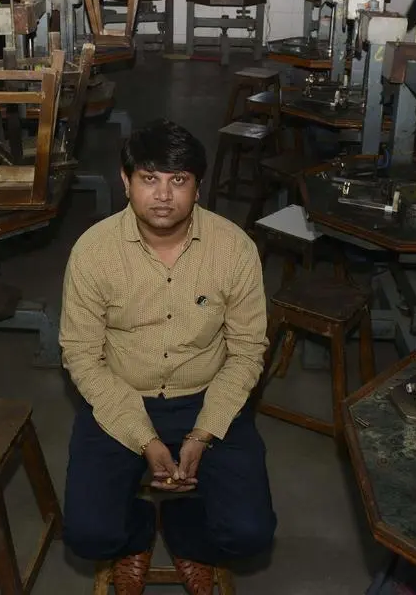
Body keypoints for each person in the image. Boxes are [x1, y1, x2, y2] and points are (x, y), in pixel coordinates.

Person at [60, 119, 276, 595]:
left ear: (198, 187)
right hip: (120, 396)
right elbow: (80, 354)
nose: (163, 195)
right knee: (87, 533)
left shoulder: (234, 250)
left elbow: (246, 351)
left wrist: (203, 431)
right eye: (149, 179)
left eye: (178, 181)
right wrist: (144, 438)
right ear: (125, 181)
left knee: (250, 533)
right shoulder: (93, 253)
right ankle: (137, 534)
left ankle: (185, 533)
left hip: (206, 396)